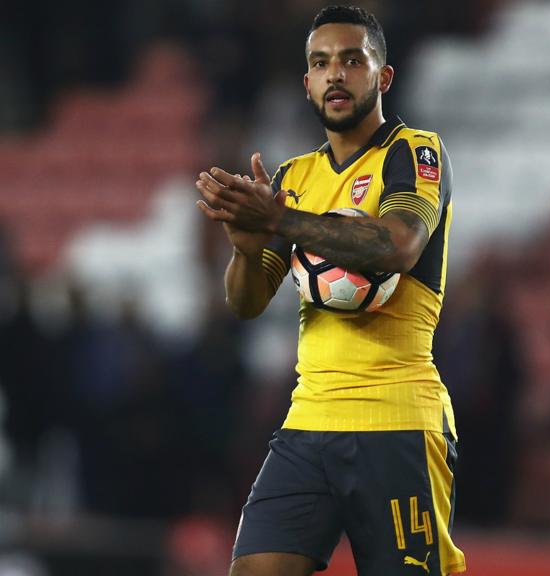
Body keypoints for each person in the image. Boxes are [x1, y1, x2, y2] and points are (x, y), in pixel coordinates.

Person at [193, 6, 464, 576]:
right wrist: (246, 246)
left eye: (351, 60)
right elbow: (244, 304)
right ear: (307, 83)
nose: (335, 75)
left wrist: (282, 223)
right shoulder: (292, 178)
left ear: (383, 77)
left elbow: (398, 245)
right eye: (321, 64)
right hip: (309, 419)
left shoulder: (413, 152)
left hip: (398, 422)